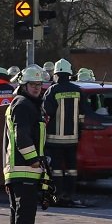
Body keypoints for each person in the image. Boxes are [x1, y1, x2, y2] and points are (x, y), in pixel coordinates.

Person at [5, 66, 51, 224]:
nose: (37, 88)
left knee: (20, 209)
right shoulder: (23, 105)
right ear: (23, 85)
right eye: (32, 84)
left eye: (39, 85)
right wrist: (33, 160)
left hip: (21, 167)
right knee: (25, 209)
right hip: (24, 167)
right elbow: (21, 136)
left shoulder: (28, 104)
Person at [44, 58, 89, 208]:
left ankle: (57, 195)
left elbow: (47, 111)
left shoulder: (53, 90)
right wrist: (79, 131)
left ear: (56, 74)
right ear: (69, 74)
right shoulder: (78, 91)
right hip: (72, 138)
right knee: (71, 169)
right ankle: (70, 195)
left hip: (54, 139)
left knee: (56, 169)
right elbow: (83, 114)